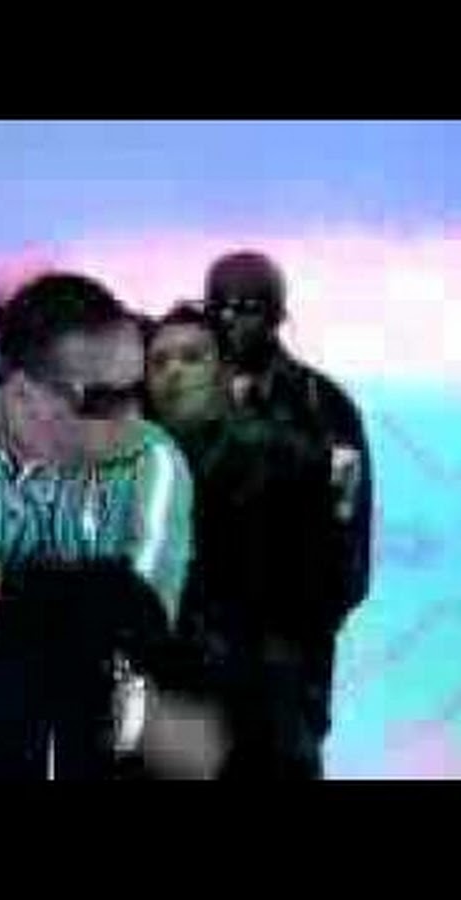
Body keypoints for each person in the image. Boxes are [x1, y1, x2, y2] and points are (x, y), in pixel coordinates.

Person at [0, 273, 225, 780]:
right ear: (23, 389)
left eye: (134, 390)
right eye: (98, 399)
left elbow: (145, 627)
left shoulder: (152, 459)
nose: (130, 416)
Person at [146, 302, 334, 777]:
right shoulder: (134, 471)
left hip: (263, 707)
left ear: (225, 371)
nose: (174, 372)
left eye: (192, 358)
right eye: (160, 362)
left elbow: (317, 590)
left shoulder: (284, 459)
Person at [202, 251, 373, 764]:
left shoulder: (324, 406)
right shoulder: (179, 397)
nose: (231, 320)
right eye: (219, 308)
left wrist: (307, 630)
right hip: (199, 649)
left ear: (277, 313)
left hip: (289, 655)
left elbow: (350, 535)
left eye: (247, 308)